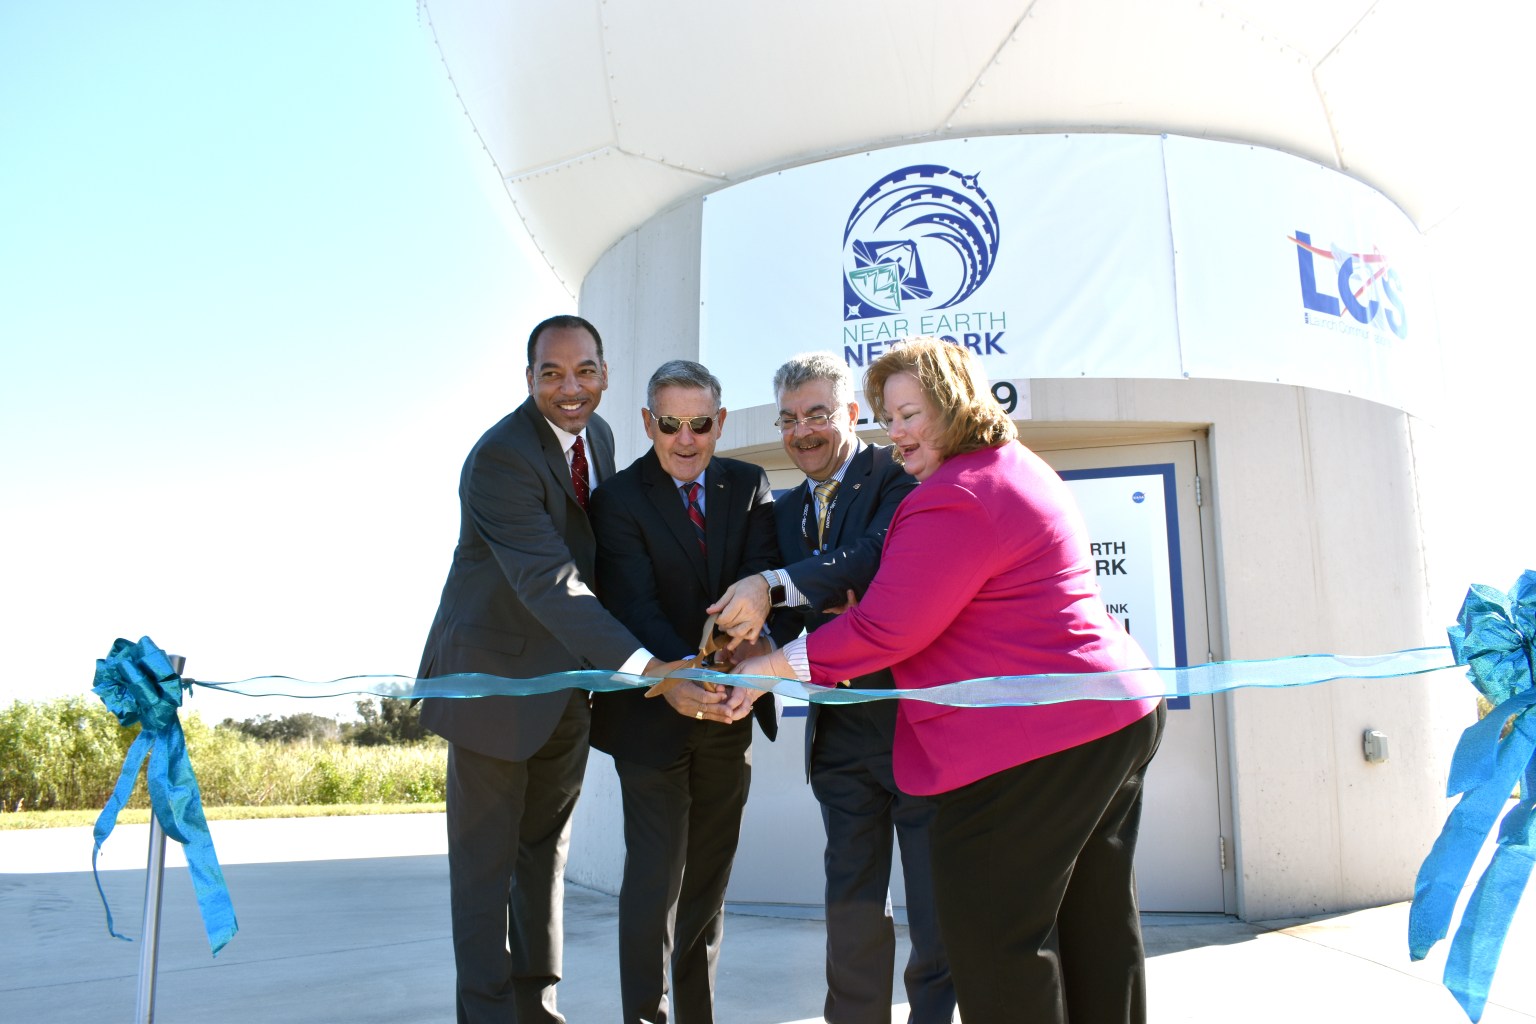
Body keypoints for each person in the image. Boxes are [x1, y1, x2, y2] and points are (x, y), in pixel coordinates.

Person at [733, 337, 1165, 1024]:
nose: (896, 431)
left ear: (956, 405)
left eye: (911, 413)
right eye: (889, 416)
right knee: (1096, 930)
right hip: (1108, 718)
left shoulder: (955, 496)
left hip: (1036, 742)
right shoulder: (1012, 467)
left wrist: (769, 671)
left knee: (995, 944)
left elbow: (887, 628)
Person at [416, 314, 686, 1024]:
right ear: (529, 377)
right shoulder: (501, 457)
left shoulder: (596, 438)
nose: (571, 388)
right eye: (552, 374)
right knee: (484, 873)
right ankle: (486, 1016)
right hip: (492, 684)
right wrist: (647, 667)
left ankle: (535, 1007)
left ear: (604, 372)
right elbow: (549, 581)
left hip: (567, 686)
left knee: (544, 857)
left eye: (585, 371)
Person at [707, 352, 954, 1024]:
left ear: (851, 413)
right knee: (850, 913)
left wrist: (785, 587)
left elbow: (877, 555)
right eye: (789, 419)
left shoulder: (898, 476)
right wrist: (756, 651)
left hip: (916, 726)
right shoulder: (784, 511)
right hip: (839, 736)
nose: (803, 431)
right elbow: (784, 615)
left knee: (937, 913)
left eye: (818, 414)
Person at [588, 359, 780, 1024]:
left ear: (720, 422)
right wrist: (672, 677)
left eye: (700, 424)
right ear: (648, 423)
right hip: (650, 721)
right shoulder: (615, 501)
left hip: (730, 714)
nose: (687, 439)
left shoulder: (750, 486)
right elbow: (630, 604)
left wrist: (747, 662)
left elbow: (766, 585)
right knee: (654, 880)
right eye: (671, 424)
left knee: (706, 887)